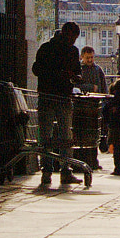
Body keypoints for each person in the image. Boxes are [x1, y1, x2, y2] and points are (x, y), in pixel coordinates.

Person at [31, 20, 82, 187]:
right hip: (58, 95)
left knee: (47, 134)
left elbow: (37, 69)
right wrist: (62, 74)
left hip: (49, 95)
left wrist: (75, 76)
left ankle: (47, 170)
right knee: (64, 134)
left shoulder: (47, 48)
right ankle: (64, 169)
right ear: (65, 34)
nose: (73, 41)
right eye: (72, 37)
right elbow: (38, 70)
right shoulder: (56, 49)